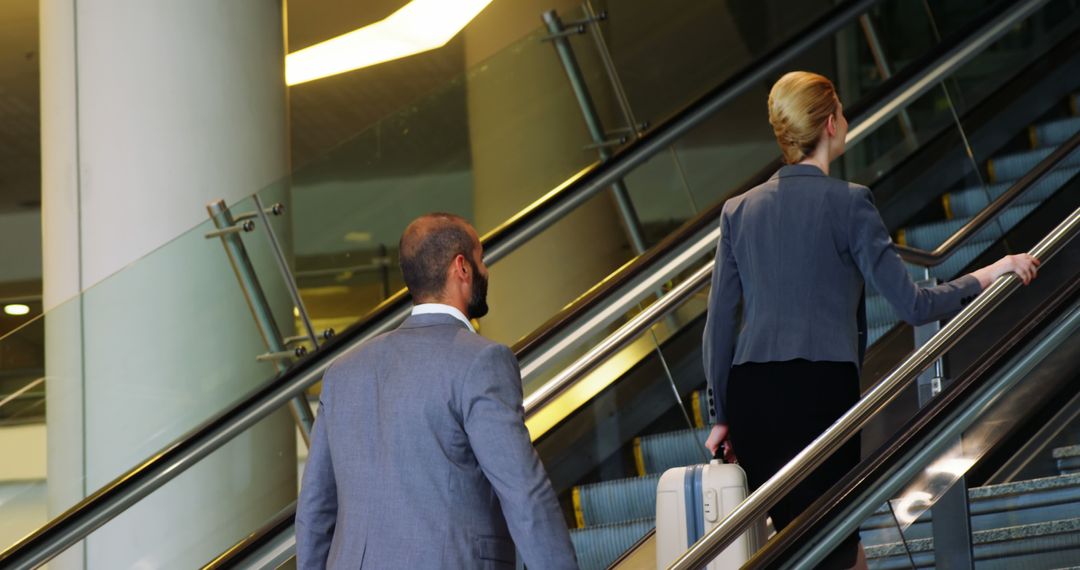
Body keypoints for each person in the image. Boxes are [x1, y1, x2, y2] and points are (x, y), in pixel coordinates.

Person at [701, 71, 1039, 570]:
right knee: (831, 545)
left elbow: (718, 325)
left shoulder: (738, 211)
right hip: (819, 392)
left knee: (816, 547)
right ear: (833, 122)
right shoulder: (850, 202)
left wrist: (722, 413)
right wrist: (991, 271)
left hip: (754, 400)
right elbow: (913, 305)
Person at [297, 213, 578, 569]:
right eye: (481, 260)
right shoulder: (481, 361)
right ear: (461, 268)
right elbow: (524, 493)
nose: (486, 270)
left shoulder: (344, 372)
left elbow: (315, 510)